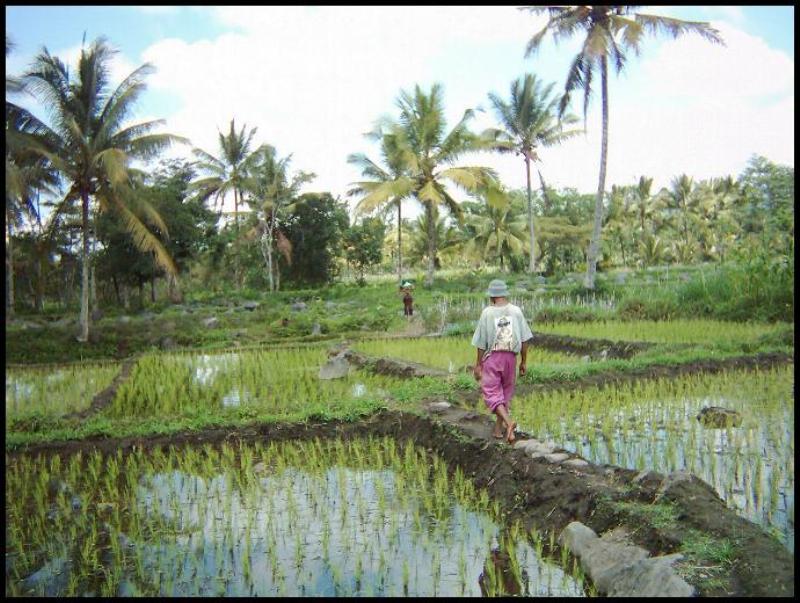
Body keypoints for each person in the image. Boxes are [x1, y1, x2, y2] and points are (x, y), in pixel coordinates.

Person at [471, 279, 533, 443]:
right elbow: (525, 339)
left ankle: (509, 422)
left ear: (492, 297)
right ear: (504, 294)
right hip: (511, 359)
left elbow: (481, 342)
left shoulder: (487, 313)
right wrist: (523, 362)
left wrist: (478, 364)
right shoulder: (516, 311)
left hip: (494, 358)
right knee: (505, 393)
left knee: (491, 393)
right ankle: (499, 431)